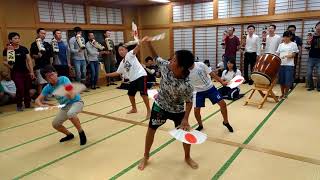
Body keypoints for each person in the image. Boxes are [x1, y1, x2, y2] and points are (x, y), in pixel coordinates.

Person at [138, 38, 198, 171]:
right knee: (151, 130)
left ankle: (187, 157)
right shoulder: (166, 66)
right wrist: (149, 44)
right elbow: (156, 57)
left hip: (177, 110)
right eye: (172, 59)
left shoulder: (187, 85)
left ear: (181, 67)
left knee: (184, 133)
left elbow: (189, 102)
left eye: (174, 60)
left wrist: (185, 119)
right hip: (160, 105)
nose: (171, 61)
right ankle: (146, 156)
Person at [35, 65, 87, 145]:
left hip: (77, 102)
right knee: (55, 124)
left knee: (71, 113)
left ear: (56, 73)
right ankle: (69, 135)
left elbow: (72, 95)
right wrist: (41, 105)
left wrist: (67, 93)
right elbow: (37, 100)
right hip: (65, 106)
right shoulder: (48, 87)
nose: (51, 77)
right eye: (48, 77)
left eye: (52, 74)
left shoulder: (64, 79)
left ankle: (81, 133)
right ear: (46, 80)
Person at [105, 41, 151, 119]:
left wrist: (140, 43)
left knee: (143, 94)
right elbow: (117, 72)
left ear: (126, 50)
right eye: (119, 50)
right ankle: (134, 108)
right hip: (133, 79)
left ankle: (149, 111)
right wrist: (107, 75)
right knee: (130, 94)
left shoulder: (130, 54)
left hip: (141, 75)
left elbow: (137, 48)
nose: (121, 51)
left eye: (122, 49)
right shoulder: (122, 63)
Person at [188, 58, 234, 132]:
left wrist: (222, 82)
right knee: (196, 111)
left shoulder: (201, 65)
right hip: (197, 91)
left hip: (210, 88)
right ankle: (200, 125)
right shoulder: (184, 70)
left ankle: (226, 122)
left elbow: (211, 74)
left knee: (223, 104)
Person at [3, 32, 35, 111]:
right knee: (20, 88)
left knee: (27, 88)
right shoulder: (7, 49)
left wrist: (31, 72)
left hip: (25, 71)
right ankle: (19, 105)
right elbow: (4, 61)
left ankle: (28, 104)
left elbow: (29, 60)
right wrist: (10, 65)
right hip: (16, 73)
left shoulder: (23, 48)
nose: (17, 40)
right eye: (15, 38)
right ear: (10, 40)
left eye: (18, 38)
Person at [276, 31, 299, 99]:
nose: (285, 38)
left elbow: (294, 54)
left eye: (287, 37)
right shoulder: (281, 45)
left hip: (289, 65)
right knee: (281, 80)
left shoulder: (293, 44)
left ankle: (286, 94)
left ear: (290, 37)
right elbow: (277, 53)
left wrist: (287, 56)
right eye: (284, 37)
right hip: (281, 64)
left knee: (288, 80)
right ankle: (282, 93)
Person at [30, 28, 53, 93]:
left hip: (47, 65)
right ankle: (40, 97)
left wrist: (51, 65)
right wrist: (37, 56)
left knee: (48, 82)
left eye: (44, 33)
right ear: (38, 34)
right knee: (41, 83)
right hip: (39, 66)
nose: (43, 35)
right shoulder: (34, 44)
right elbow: (32, 56)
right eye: (42, 33)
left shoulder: (47, 44)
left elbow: (51, 56)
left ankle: (47, 95)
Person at [306, 21, 320, 91]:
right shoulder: (311, 35)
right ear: (315, 27)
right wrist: (309, 41)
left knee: (319, 73)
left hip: (319, 58)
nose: (319, 27)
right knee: (308, 73)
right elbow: (307, 45)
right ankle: (311, 86)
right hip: (311, 57)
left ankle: (319, 87)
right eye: (318, 26)